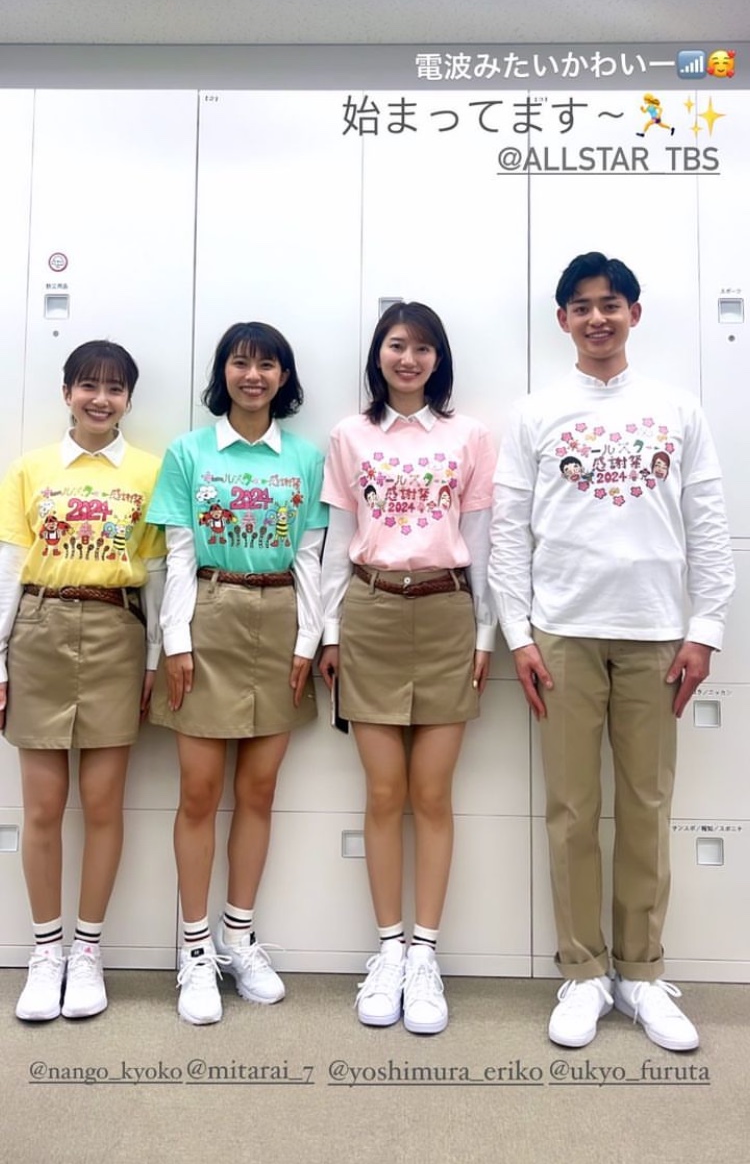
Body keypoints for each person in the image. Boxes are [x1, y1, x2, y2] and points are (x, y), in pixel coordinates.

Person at [489, 252, 734, 1052]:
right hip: (562, 635)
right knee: (570, 810)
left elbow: (708, 524)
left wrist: (705, 629)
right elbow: (507, 534)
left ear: (634, 313)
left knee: (646, 807)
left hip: (657, 635)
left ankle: (642, 973)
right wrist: (519, 634)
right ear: (563, 319)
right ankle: (584, 972)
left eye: (611, 304)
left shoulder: (677, 410)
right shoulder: (536, 413)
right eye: (583, 306)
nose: (598, 318)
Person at [319, 301, 495, 1035]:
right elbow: (337, 541)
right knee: (384, 792)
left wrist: (486, 632)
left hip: (448, 612)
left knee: (432, 794)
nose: (409, 359)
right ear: (378, 355)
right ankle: (389, 950)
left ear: (438, 360)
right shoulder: (349, 435)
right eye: (397, 345)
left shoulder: (469, 436)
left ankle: (425, 955)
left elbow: (482, 540)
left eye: (423, 348)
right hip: (372, 612)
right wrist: (328, 632)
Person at [147, 322, 327, 1025]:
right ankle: (194, 950)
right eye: (241, 362)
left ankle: (239, 939)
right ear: (223, 371)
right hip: (209, 614)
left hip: (280, 618)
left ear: (285, 377)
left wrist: (308, 641)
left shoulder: (304, 458)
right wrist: (175, 642)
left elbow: (310, 556)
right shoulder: (189, 452)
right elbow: (177, 555)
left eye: (267, 364)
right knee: (198, 792)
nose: (253, 375)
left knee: (259, 790)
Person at [0, 341, 164, 1021]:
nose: (101, 398)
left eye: (115, 388)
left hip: (115, 631)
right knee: (41, 808)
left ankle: (87, 951)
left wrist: (154, 659)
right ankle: (46, 953)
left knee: (102, 805)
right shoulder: (30, 469)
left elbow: (157, 574)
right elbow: (9, 566)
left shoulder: (150, 472)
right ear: (66, 391)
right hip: (38, 629)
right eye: (88, 385)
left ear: (129, 399)